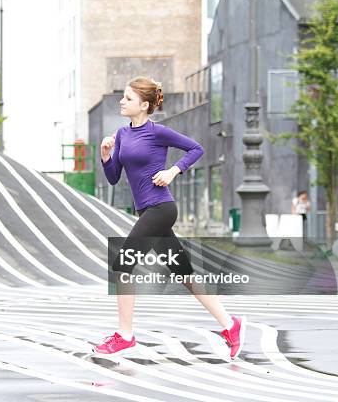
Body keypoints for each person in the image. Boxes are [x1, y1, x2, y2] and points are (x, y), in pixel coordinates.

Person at [94, 76, 246, 359]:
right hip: (147, 211)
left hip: (161, 209)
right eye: (123, 97)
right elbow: (114, 179)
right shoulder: (123, 135)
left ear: (144, 104)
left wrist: (173, 171)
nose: (122, 101)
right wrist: (106, 156)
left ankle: (125, 335)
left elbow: (196, 148)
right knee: (185, 275)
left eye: (128, 98)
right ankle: (230, 324)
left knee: (122, 263)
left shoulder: (158, 132)